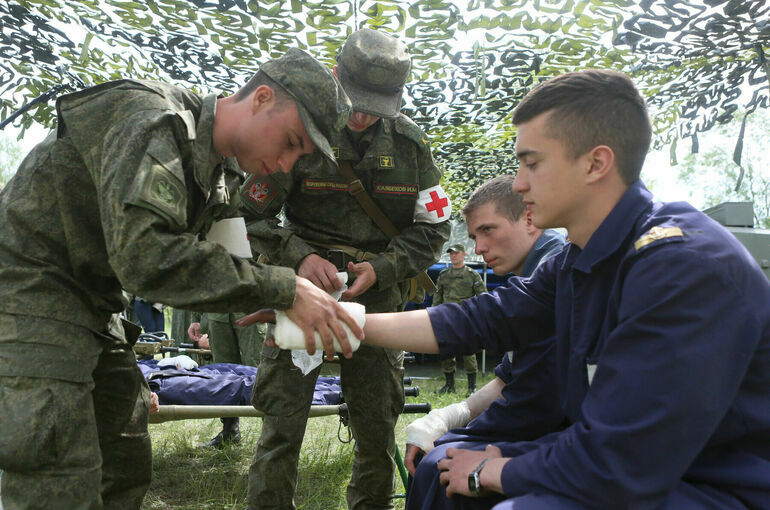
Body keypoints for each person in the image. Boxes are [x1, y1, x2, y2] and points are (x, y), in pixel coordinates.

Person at [251, 69, 770, 508]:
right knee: (441, 469)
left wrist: (500, 469)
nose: (518, 183)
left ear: (596, 163)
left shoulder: (680, 267)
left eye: (532, 162)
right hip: (633, 465)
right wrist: (327, 318)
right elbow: (480, 320)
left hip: (712, 483)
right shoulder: (578, 261)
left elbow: (626, 460)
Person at [0, 48, 361, 510]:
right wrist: (285, 288)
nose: (287, 164)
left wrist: (279, 308)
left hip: (93, 300)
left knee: (125, 451)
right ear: (261, 98)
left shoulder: (224, 172)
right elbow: (145, 257)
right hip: (33, 291)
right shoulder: (153, 121)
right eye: (291, 141)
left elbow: (225, 263)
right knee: (55, 464)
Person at [241, 29, 451, 510]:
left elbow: (434, 230)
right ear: (334, 78)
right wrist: (298, 256)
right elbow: (248, 214)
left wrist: (381, 267)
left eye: (373, 106)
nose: (359, 115)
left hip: (375, 303)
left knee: (376, 431)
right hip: (299, 295)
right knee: (281, 426)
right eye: (353, 100)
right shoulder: (301, 131)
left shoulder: (413, 148)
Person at [403, 175, 567, 506]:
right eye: (475, 236)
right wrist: (448, 416)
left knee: (442, 464)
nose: (478, 248)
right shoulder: (536, 270)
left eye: (488, 230)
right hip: (540, 434)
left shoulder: (558, 272)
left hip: (561, 443)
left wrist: (350, 323)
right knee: (438, 455)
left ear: (530, 219)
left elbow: (473, 321)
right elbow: (511, 377)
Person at [198, 312, 267, 448]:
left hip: (249, 308)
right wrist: (198, 320)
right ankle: (230, 431)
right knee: (224, 374)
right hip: (218, 311)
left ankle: (271, 434)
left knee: (259, 372)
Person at [431, 244, 486, 395]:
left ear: (463, 254)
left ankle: (472, 387)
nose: (453, 256)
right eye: (451, 253)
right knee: (447, 350)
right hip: (446, 317)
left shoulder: (472, 274)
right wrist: (434, 314)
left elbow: (482, 296)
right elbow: (437, 296)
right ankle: (449, 385)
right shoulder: (444, 275)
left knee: (469, 351)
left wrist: (477, 314)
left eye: (456, 253)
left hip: (465, 318)